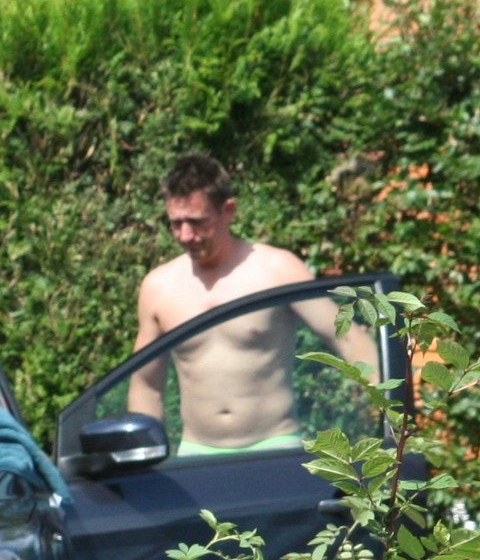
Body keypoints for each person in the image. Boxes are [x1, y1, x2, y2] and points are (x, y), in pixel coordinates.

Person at [129, 153, 375, 457]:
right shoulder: (159, 287)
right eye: (175, 224)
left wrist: (389, 422)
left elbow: (351, 339)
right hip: (195, 455)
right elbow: (146, 386)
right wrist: (143, 462)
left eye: (196, 222)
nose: (185, 235)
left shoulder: (277, 270)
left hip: (274, 448)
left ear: (227, 211)